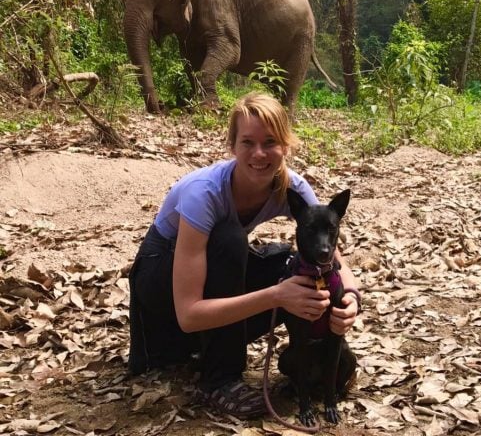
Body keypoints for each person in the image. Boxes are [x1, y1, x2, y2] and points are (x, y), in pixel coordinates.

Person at [128, 91, 360, 418]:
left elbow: (328, 251)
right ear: (232, 146)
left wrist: (350, 298)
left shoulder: (290, 187)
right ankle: (219, 380)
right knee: (229, 240)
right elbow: (189, 313)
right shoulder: (204, 193)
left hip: (209, 271)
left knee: (292, 264)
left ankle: (308, 358)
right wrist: (277, 295)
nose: (259, 154)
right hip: (159, 277)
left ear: (286, 145)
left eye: (270, 142)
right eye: (247, 143)